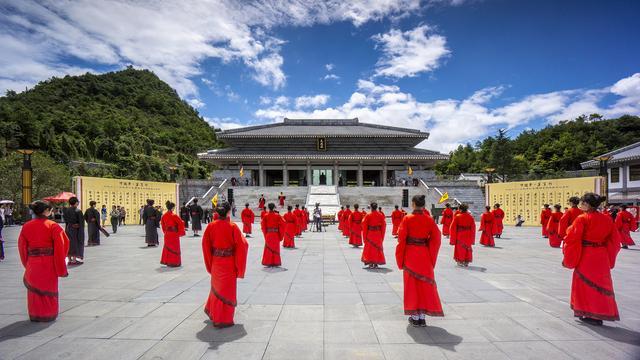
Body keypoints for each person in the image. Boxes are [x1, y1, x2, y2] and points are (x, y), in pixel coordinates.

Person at [562, 193, 621, 326]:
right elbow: (615, 240)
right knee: (602, 284)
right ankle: (600, 313)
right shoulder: (607, 219)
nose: (580, 204)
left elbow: (572, 238)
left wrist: (568, 252)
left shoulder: (582, 218)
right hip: (601, 255)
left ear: (588, 205)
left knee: (584, 283)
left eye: (582, 202)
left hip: (586, 254)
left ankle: (587, 311)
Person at [396, 194, 443, 327]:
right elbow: (436, 239)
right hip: (424, 255)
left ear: (413, 204)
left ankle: (414, 316)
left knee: (412, 286)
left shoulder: (407, 219)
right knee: (425, 286)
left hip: (410, 255)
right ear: (423, 205)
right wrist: (430, 253)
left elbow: (401, 240)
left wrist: (400, 258)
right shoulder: (429, 220)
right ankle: (422, 317)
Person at [18, 201, 69, 322]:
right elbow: (62, 246)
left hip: (33, 263)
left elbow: (22, 247)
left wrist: (27, 263)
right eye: (50, 210)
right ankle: (48, 314)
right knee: (49, 289)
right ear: (46, 211)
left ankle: (35, 314)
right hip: (49, 263)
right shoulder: (53, 226)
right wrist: (61, 265)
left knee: (34, 292)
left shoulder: (26, 226)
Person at [202, 201, 248, 328]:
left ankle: (214, 313)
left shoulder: (211, 226)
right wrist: (239, 266)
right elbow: (243, 245)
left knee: (217, 289)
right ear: (228, 212)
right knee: (227, 291)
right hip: (229, 263)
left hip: (216, 263)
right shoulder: (233, 227)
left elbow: (205, 246)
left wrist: (210, 263)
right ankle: (223, 319)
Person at [161, 200, 185, 267]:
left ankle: (167, 261)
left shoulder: (164, 216)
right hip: (174, 234)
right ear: (172, 208)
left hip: (167, 234)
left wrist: (165, 232)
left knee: (167, 248)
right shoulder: (174, 216)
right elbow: (181, 223)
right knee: (175, 248)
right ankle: (174, 262)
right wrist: (179, 232)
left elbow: (163, 226)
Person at [361, 202, 386, 268]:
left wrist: (364, 237)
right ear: (376, 207)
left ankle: (370, 263)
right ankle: (376, 263)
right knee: (377, 248)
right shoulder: (380, 215)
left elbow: (364, 226)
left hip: (370, 233)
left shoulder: (368, 215)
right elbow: (383, 226)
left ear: (371, 207)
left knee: (370, 248)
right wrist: (382, 236)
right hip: (378, 234)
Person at [261, 203, 285, 267]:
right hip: (275, 234)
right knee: (275, 247)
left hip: (269, 234)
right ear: (274, 207)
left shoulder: (265, 216)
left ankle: (268, 262)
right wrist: (280, 234)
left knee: (269, 248)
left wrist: (265, 234)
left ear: (268, 208)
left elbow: (263, 227)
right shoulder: (278, 216)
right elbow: (283, 224)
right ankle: (275, 262)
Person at [63, 197, 84, 265]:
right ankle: (74, 260)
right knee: (75, 243)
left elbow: (65, 220)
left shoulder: (66, 210)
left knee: (69, 243)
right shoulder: (78, 211)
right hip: (75, 229)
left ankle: (69, 260)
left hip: (68, 228)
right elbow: (81, 222)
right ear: (76, 203)